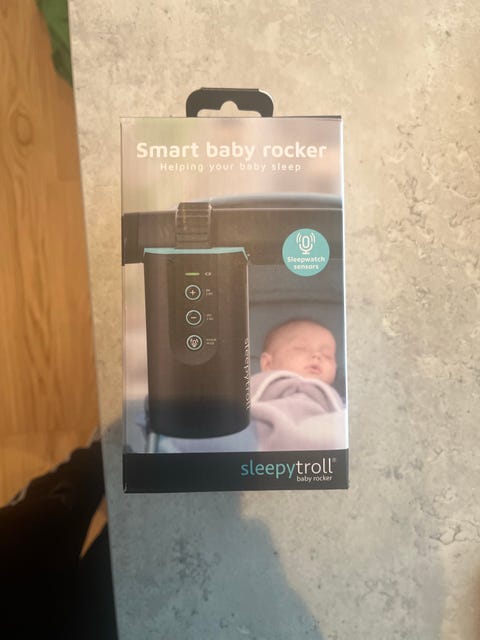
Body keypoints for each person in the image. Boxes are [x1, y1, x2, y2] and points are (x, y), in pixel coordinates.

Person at [251, 318, 347, 451]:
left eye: (327, 355)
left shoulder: (340, 402)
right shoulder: (259, 386)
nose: (317, 356)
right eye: (301, 349)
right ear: (268, 363)